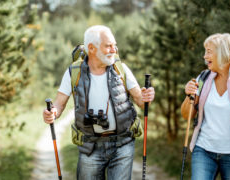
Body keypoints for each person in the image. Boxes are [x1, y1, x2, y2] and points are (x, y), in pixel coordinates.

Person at [43, 25, 155, 180]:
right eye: (108, 46)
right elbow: (59, 104)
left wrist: (148, 96)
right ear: (92, 48)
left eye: (115, 45)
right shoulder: (73, 72)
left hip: (122, 144)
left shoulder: (121, 68)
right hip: (90, 146)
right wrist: (52, 113)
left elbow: (141, 101)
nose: (114, 50)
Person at [181, 33, 230, 179]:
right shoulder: (203, 78)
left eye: (209, 52)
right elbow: (187, 115)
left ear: (223, 53)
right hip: (204, 150)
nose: (205, 57)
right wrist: (188, 95)